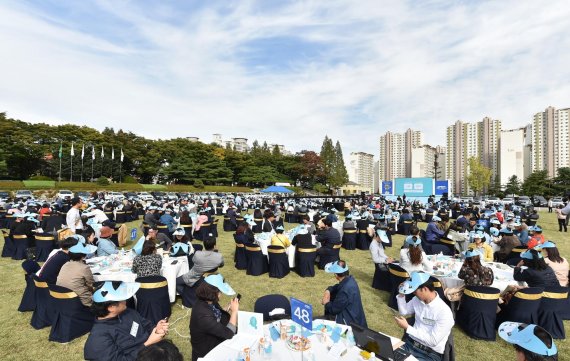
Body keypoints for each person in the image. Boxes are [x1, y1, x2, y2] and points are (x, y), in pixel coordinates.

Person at [84, 281, 170, 361]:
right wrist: (148, 343)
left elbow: (145, 324)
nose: (126, 300)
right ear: (111, 308)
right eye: (122, 299)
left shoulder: (127, 312)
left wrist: (156, 329)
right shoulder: (99, 338)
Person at [395, 272, 454, 361]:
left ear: (425, 289)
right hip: (409, 344)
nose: (414, 294)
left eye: (415, 291)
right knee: (386, 355)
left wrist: (408, 328)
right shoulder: (417, 300)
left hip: (429, 354)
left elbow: (433, 341)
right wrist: (401, 294)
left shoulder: (444, 312)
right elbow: (404, 312)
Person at [189, 274, 239, 361]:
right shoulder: (203, 316)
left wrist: (226, 308)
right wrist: (234, 311)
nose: (221, 294)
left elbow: (215, 312)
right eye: (220, 292)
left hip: (211, 340)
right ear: (213, 293)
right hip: (207, 352)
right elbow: (229, 333)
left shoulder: (206, 301)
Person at [321, 260, 367, 327]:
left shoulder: (345, 291)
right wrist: (328, 290)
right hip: (355, 315)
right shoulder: (350, 280)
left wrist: (326, 303)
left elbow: (334, 309)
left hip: (349, 322)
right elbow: (338, 286)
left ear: (336, 275)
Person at [56, 240, 97, 307]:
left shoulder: (66, 264)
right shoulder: (84, 268)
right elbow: (91, 284)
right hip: (80, 300)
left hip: (63, 297)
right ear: (83, 255)